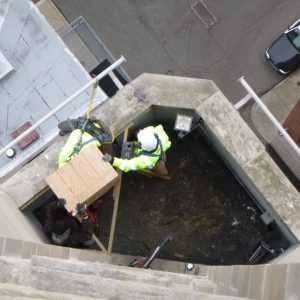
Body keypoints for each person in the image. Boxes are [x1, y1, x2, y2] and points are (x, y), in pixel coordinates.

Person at [103, 125, 171, 176]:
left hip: (154, 161)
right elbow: (155, 128)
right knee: (161, 157)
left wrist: (112, 160)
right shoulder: (160, 135)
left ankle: (164, 174)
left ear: (142, 146)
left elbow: (127, 165)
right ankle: (162, 160)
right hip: (160, 150)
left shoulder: (145, 160)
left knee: (160, 169)